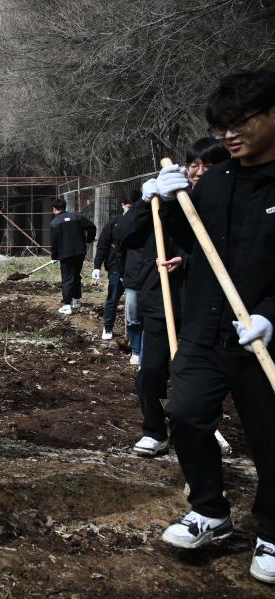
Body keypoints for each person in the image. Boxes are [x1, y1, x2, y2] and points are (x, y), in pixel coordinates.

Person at [147, 69, 275, 585]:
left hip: (260, 336)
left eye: (240, 122)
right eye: (222, 125)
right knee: (186, 415)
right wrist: (165, 200)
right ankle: (210, 512)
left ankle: (271, 530)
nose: (229, 134)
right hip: (204, 329)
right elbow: (190, 241)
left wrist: (272, 316)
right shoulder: (218, 178)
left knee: (270, 438)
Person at [117, 138, 229, 458]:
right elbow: (125, 235)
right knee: (152, 371)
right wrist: (146, 200)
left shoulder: (223, 202)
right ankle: (154, 429)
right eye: (194, 165)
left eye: (208, 165)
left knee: (199, 374)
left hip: (205, 306)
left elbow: (217, 251)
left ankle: (200, 428)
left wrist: (187, 261)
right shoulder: (164, 200)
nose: (199, 172)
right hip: (160, 300)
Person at [92, 194, 133, 340]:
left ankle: (134, 332)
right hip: (115, 267)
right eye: (128, 205)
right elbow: (102, 245)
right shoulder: (114, 223)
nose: (131, 208)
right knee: (113, 297)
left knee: (135, 300)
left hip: (134, 267)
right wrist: (97, 266)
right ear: (123, 205)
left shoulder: (142, 223)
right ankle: (108, 327)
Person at [49, 198, 96, 315]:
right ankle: (76, 300)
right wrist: (89, 239)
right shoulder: (77, 217)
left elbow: (54, 242)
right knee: (76, 275)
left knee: (67, 278)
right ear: (64, 207)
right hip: (80, 252)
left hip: (65, 254)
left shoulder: (55, 223)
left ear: (54, 209)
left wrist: (54, 257)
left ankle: (67, 305)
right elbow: (92, 227)